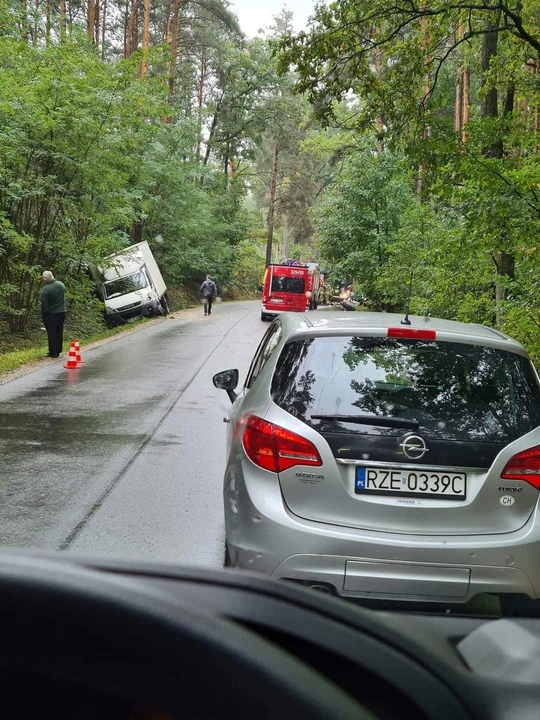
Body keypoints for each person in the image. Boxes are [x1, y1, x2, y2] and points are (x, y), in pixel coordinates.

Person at [41, 271, 66, 358]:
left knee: (51, 332)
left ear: (45, 279)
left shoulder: (46, 289)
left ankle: (53, 352)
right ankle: (59, 349)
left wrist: (44, 314)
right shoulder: (61, 285)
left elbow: (44, 304)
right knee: (59, 331)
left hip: (51, 313)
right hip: (62, 312)